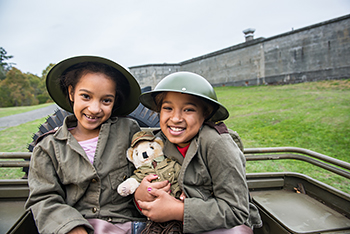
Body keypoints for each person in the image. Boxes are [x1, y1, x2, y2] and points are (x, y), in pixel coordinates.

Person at [25, 55, 146, 234]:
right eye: (86, 96)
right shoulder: (48, 147)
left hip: (128, 225)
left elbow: (153, 158)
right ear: (72, 92)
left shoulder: (128, 131)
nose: (95, 109)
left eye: (106, 100)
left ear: (114, 101)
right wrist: (72, 228)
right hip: (78, 226)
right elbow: (44, 198)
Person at [135, 72, 262, 233]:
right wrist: (141, 195)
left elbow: (236, 210)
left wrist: (179, 210)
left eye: (188, 110)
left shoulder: (217, 144)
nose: (175, 118)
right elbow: (152, 201)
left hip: (222, 227)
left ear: (205, 115)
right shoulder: (156, 144)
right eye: (167, 108)